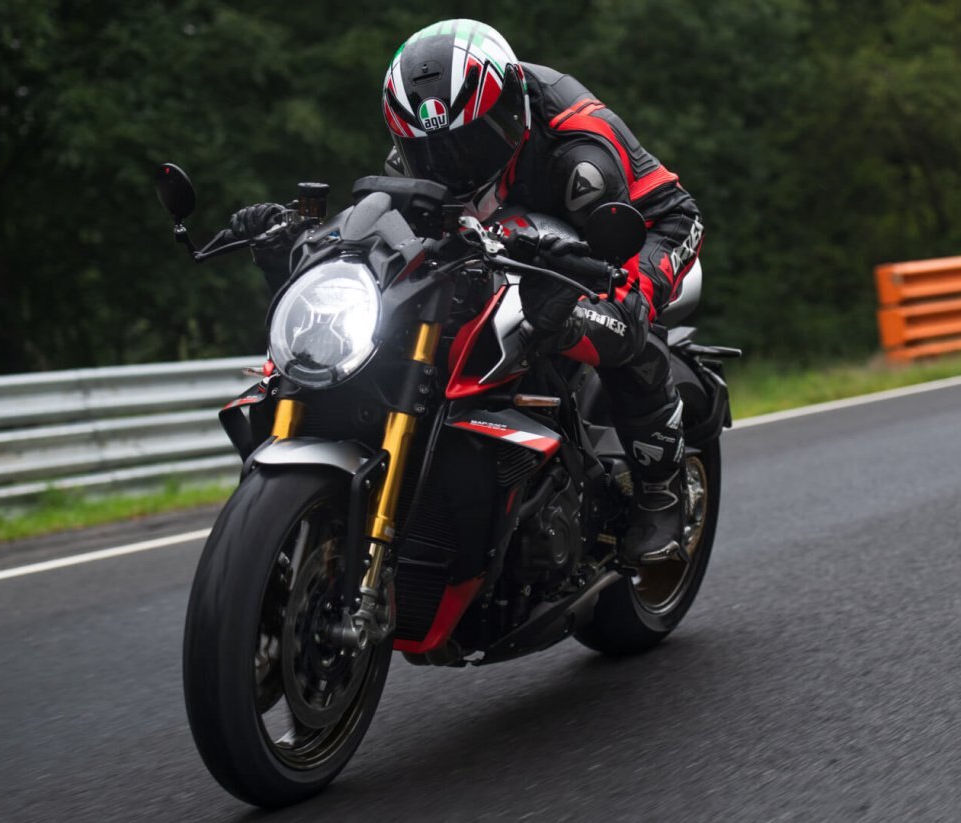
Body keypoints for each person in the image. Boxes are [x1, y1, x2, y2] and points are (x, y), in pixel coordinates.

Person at [232, 19, 703, 565]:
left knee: (615, 320)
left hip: (638, 223)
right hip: (510, 225)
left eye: (469, 144)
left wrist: (584, 296)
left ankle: (660, 491)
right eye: (432, 151)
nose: (449, 164)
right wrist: (295, 250)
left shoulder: (580, 156)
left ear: (509, 115)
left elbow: (609, 262)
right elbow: (386, 233)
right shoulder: (416, 153)